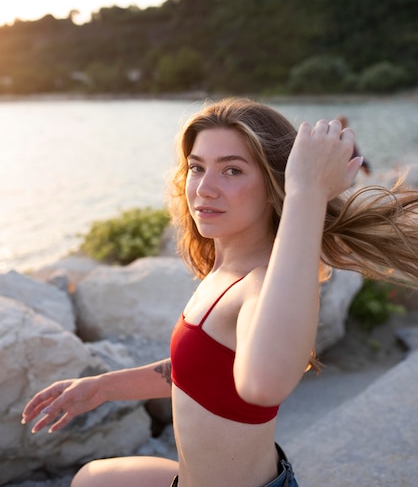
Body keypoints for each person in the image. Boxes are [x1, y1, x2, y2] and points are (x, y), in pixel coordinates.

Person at [22, 98, 418, 487]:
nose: (205, 189)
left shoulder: (263, 284)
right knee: (91, 479)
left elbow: (263, 385)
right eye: (197, 168)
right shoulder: (224, 270)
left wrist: (308, 192)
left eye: (232, 170)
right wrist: (102, 387)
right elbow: (201, 369)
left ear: (274, 186)